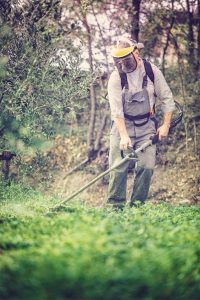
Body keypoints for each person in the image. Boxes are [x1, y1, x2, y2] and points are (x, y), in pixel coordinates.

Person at [107, 36, 175, 209]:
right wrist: (123, 135)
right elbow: (116, 110)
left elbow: (167, 98)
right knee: (118, 167)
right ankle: (115, 209)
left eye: (126, 59)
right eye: (119, 60)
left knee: (146, 167)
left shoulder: (151, 71)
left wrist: (166, 125)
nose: (123, 64)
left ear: (136, 53)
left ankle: (136, 208)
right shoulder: (116, 77)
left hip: (147, 126)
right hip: (123, 125)